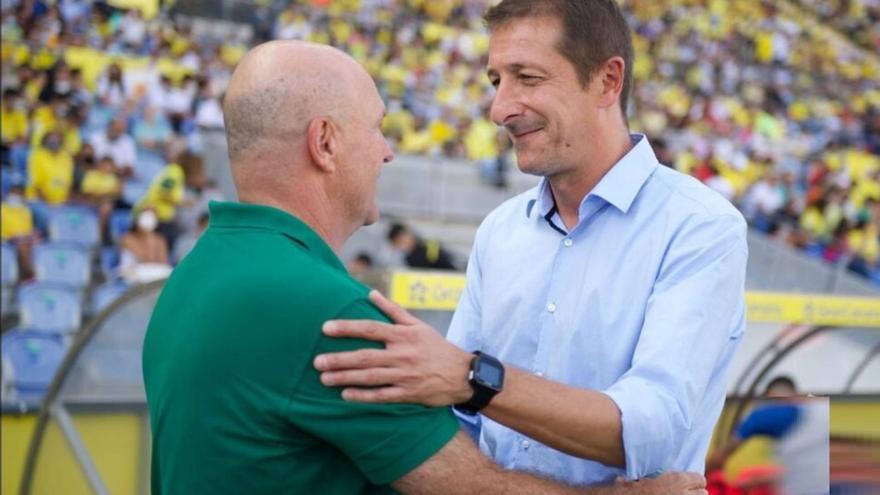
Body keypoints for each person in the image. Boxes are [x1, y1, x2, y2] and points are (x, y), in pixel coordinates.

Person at [142, 40, 706, 495]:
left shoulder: (192, 278)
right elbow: (474, 489)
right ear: (325, 143)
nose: (387, 151)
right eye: (377, 127)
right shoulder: (329, 312)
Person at [314, 0, 748, 488]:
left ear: (608, 81)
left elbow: (652, 427)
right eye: (497, 81)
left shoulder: (700, 227)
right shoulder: (500, 231)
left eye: (528, 78)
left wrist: (471, 376)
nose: (500, 109)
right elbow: (458, 422)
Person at [706, 377, 830, 495]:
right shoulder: (821, 411)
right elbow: (807, 471)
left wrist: (702, 475)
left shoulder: (763, 416)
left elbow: (720, 457)